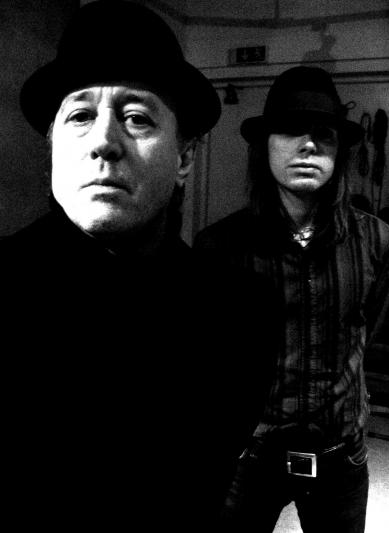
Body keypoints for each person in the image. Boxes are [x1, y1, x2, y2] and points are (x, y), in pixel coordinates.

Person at [1, 1, 267, 529]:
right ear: (52, 148)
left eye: (137, 118)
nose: (104, 142)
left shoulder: (238, 310)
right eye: (80, 116)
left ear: (184, 157)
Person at [194, 66, 389, 532]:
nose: (308, 145)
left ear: (339, 151)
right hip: (251, 454)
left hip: (340, 454)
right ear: (264, 146)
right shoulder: (219, 247)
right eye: (290, 131)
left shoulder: (377, 240)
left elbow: (369, 325)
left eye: (323, 134)